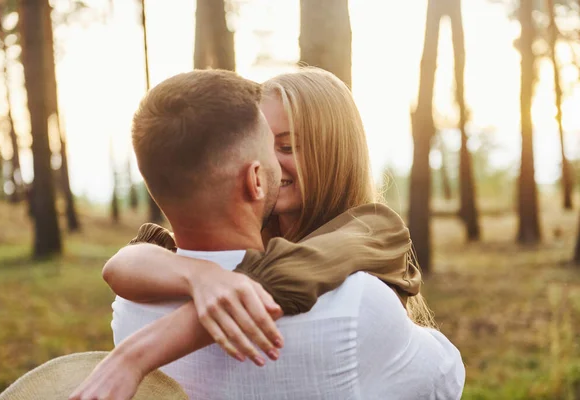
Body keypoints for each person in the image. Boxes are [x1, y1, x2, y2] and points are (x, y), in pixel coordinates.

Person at [70, 68, 464, 400]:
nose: (266, 160)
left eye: (287, 145)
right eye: (261, 142)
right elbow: (131, 259)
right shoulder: (234, 245)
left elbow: (285, 276)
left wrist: (137, 354)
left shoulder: (371, 231)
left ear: (334, 155)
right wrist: (199, 276)